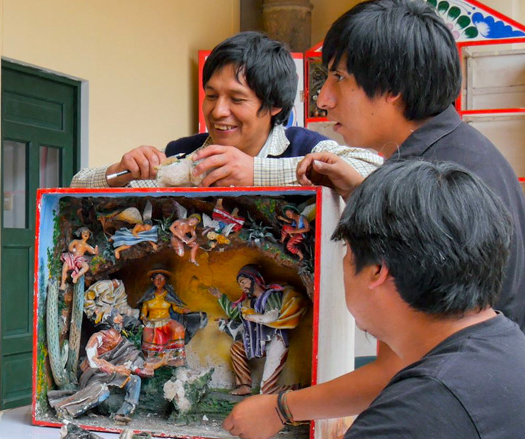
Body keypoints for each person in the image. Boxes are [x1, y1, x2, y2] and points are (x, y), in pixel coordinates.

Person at [230, 1, 525, 437]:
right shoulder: (459, 155)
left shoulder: (434, 178)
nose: (323, 99)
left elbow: (397, 365)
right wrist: (364, 195)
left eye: (338, 77)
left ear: (392, 88)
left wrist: (279, 408)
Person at [240, 160, 525, 438]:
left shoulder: (408, 418)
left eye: (347, 251)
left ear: (376, 270)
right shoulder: (509, 348)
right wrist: (282, 408)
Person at [70, 31, 381, 189]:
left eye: (237, 99)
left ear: (274, 104)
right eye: (211, 95)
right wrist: (119, 173)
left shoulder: (304, 146)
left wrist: (253, 172)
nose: (218, 111)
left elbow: (374, 171)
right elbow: (75, 186)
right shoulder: (183, 154)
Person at [48, 311, 165, 425]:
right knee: (102, 391)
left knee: (135, 379)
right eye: (118, 321)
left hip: (113, 375)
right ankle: (67, 410)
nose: (120, 323)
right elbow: (93, 361)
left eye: (121, 322)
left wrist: (158, 363)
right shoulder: (99, 337)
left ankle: (123, 413)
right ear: (111, 323)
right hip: (95, 375)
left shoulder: (123, 343)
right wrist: (115, 368)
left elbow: (134, 365)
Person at [209, 265, 307, 396]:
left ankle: (300, 388)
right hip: (257, 342)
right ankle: (244, 385)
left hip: (275, 341)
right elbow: (236, 314)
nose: (242, 286)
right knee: (237, 348)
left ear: (253, 279)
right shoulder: (248, 302)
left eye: (243, 282)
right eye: (240, 284)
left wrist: (253, 316)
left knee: (266, 391)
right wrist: (220, 297)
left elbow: (271, 317)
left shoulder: (271, 295)